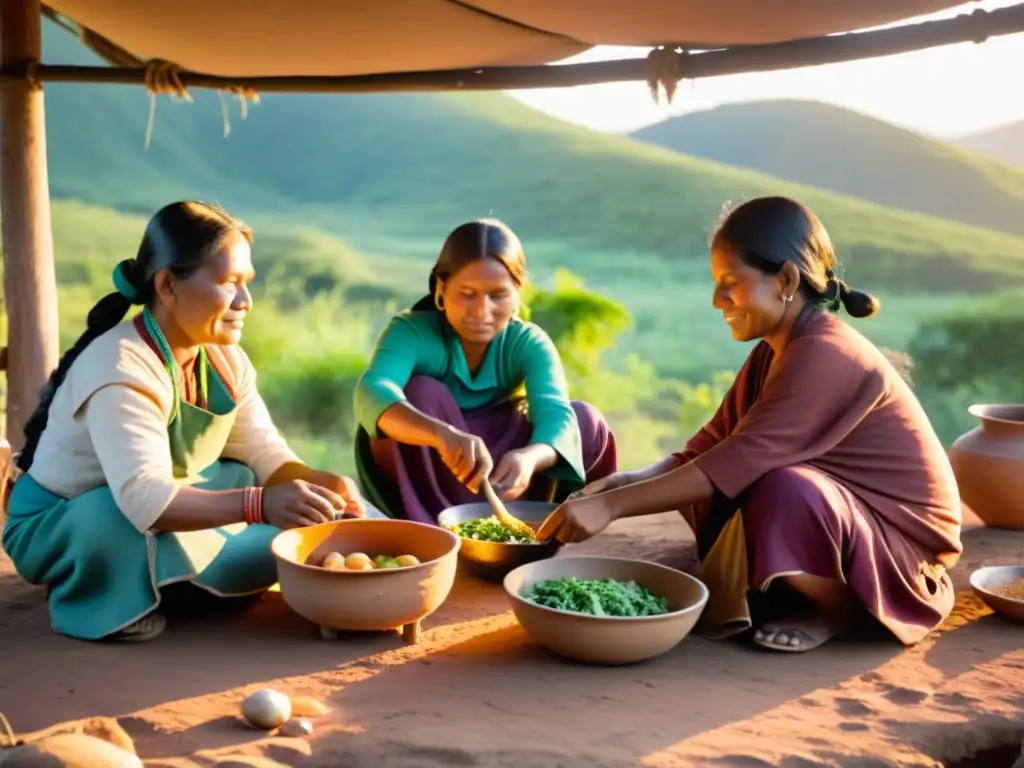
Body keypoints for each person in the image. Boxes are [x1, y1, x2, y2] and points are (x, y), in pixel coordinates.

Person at [538, 196, 962, 653]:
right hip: (847, 521)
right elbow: (709, 448)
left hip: (901, 556)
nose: (717, 299)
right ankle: (786, 581)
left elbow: (735, 462)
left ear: (785, 279)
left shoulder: (826, 352)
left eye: (730, 283)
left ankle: (841, 609)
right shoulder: (775, 349)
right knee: (719, 486)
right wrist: (625, 482)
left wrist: (613, 508)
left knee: (780, 488)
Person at [2, 201, 373, 644]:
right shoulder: (119, 366)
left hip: (162, 500)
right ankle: (109, 593)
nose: (245, 301)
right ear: (167, 285)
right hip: (71, 521)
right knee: (116, 517)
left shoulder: (223, 358)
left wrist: (320, 485)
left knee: (244, 473)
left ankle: (189, 574)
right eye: (228, 283)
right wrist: (260, 505)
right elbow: (143, 498)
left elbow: (263, 452)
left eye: (247, 284)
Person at [353, 218, 618, 523]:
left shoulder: (527, 342)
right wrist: (443, 435)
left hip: (508, 475)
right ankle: (434, 528)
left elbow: (556, 415)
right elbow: (373, 389)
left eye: (498, 295)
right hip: (439, 465)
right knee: (420, 392)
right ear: (441, 287)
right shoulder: (411, 332)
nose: (482, 311)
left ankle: (551, 522)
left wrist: (529, 459)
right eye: (467, 293)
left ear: (518, 292)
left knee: (584, 418)